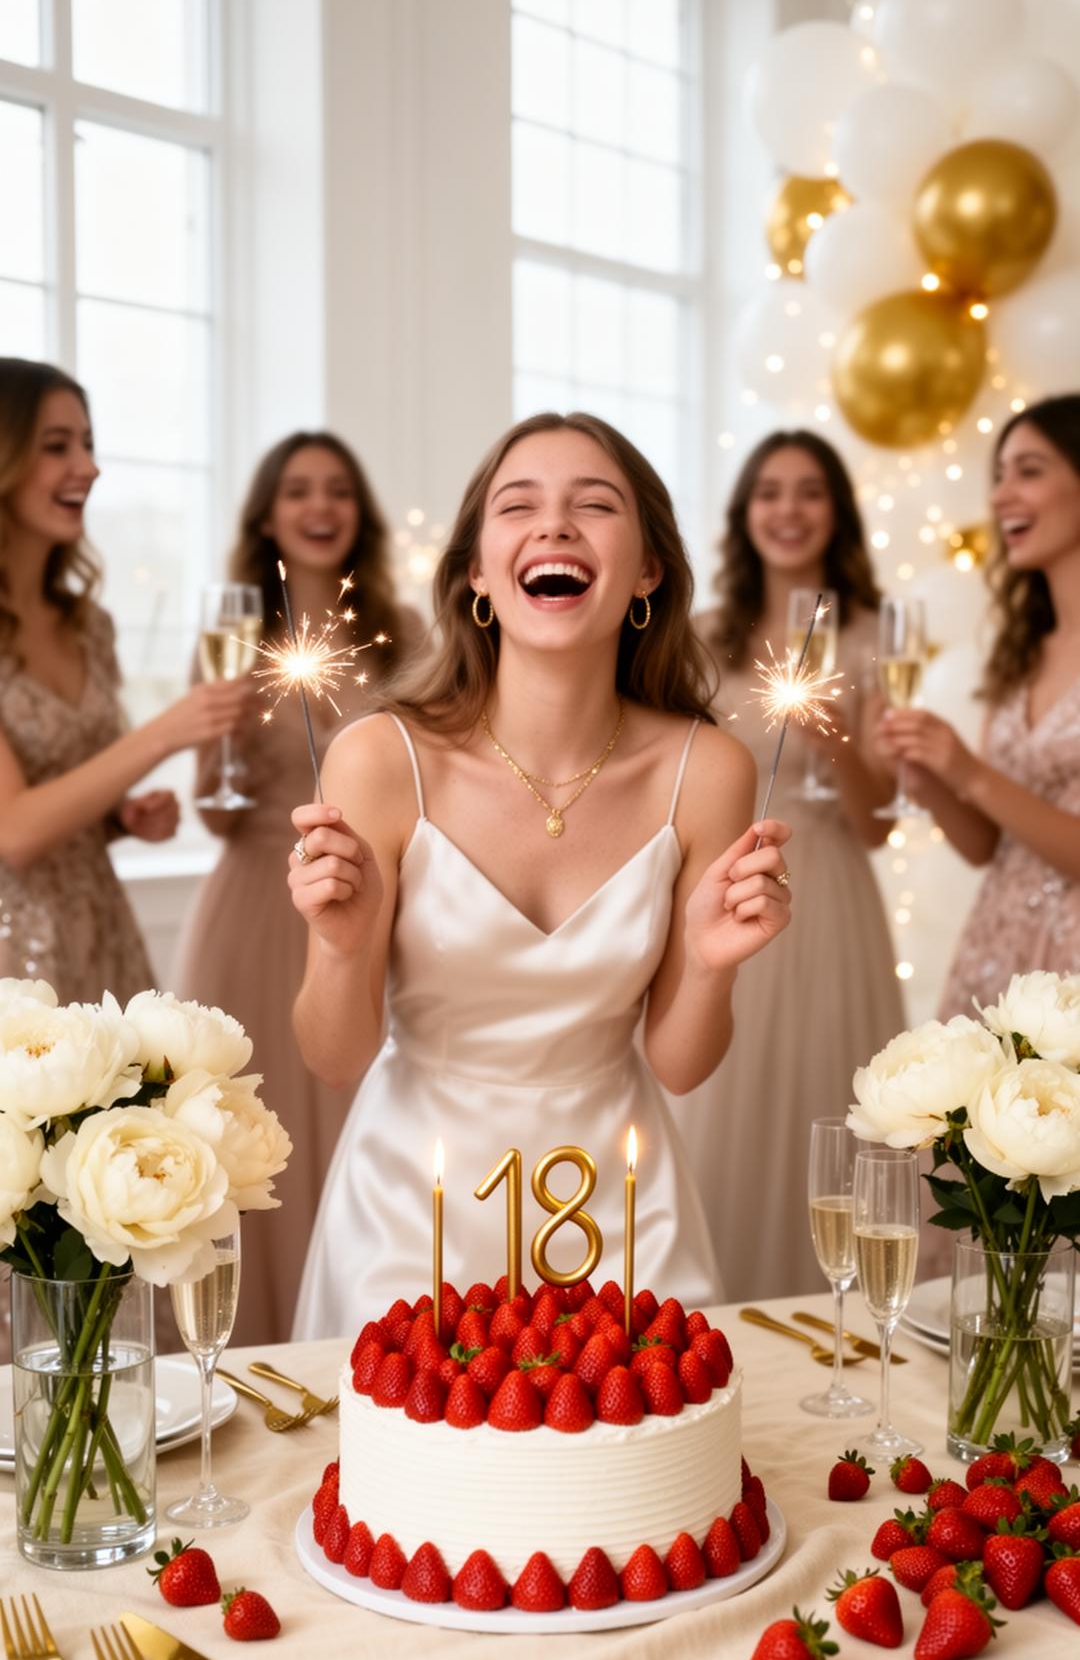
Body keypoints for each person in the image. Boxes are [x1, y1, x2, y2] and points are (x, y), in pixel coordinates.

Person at [287, 411, 792, 1340]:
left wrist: (714, 963)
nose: (554, 526)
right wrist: (339, 941)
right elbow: (334, 1057)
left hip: (621, 1208)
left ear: (648, 571)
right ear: (478, 571)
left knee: (643, 1476)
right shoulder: (379, 758)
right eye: (519, 506)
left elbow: (679, 1066)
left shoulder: (707, 770)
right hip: (408, 1213)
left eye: (594, 505)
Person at [174, 431, 422, 1345]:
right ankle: (240, 1347)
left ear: (359, 511)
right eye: (298, 491)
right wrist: (221, 747)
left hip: (366, 905)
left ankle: (350, 1336)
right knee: (245, 1138)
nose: (320, 507)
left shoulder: (404, 638)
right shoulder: (235, 638)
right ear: (267, 514)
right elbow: (214, 809)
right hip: (251, 907)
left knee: (355, 1117)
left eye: (338, 490)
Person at [668, 429, 904, 1302]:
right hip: (724, 886)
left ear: (836, 511)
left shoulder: (873, 637)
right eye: (771, 491)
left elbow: (879, 822)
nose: (789, 509)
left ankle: (837, 1313)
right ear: (745, 513)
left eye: (810, 491)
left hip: (831, 894)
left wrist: (830, 737)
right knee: (718, 1114)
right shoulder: (704, 637)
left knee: (826, 1101)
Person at [0, 358, 249, 1004]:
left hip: (101, 934)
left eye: (88, 444)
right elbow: (16, 833)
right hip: (12, 964)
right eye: (57, 446)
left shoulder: (90, 627)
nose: (88, 466)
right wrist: (169, 732)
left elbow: (60, 810)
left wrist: (120, 820)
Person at [880, 394, 1080, 1020]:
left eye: (1029, 470)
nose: (999, 497)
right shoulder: (1023, 650)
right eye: (998, 477)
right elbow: (989, 847)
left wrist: (970, 772)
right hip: (999, 955)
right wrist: (926, 778)